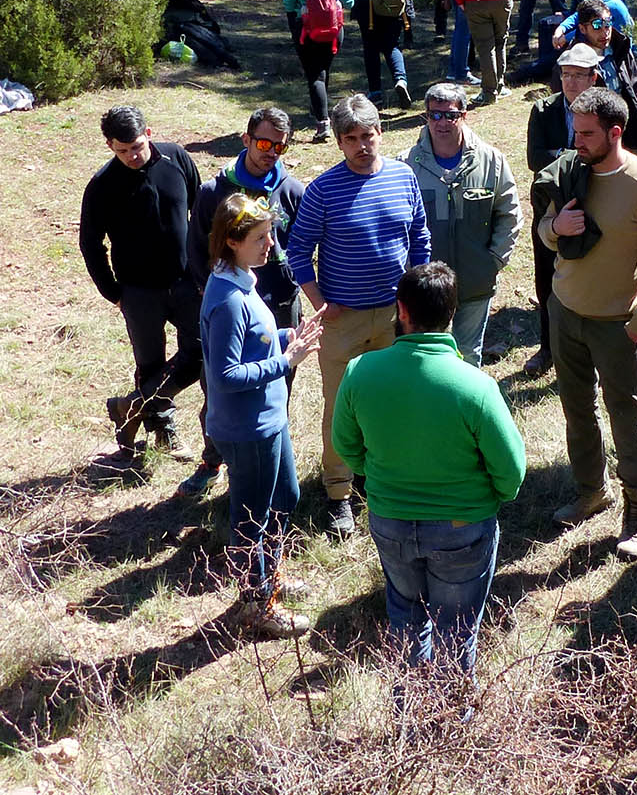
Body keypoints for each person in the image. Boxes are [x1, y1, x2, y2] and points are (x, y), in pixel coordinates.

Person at [332, 263, 526, 678]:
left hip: (390, 522)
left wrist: (381, 476)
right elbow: (511, 473)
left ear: (401, 310)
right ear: (452, 315)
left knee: (405, 619)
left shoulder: (359, 372)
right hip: (464, 529)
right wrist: (487, 498)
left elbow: (346, 447)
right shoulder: (476, 387)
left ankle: (409, 719)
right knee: (457, 632)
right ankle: (450, 726)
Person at [536, 87, 637, 560]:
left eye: (587, 134)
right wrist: (555, 230)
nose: (577, 142)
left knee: (627, 414)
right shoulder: (571, 172)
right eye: (575, 132)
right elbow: (545, 229)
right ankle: (590, 490)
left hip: (617, 323)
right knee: (576, 409)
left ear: (615, 133)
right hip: (565, 311)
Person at [286, 95, 432, 538]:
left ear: (380, 134)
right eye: (350, 139)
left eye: (367, 136)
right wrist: (319, 303)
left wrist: (416, 306)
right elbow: (296, 252)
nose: (361, 146)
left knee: (391, 400)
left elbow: (420, 239)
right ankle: (338, 493)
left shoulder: (404, 177)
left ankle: (383, 476)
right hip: (341, 321)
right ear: (338, 142)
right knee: (340, 405)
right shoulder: (322, 189)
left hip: (395, 318)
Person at [201, 191, 325, 639]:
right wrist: (286, 360)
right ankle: (255, 606)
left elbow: (255, 339)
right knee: (252, 515)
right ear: (232, 242)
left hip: (269, 418)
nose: (269, 244)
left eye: (270, 233)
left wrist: (288, 333)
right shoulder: (228, 299)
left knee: (285, 497)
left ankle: (269, 578)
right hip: (247, 427)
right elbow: (226, 372)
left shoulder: (241, 279)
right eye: (260, 237)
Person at [184, 106, 308, 497]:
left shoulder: (292, 190)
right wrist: (214, 295)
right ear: (246, 139)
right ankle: (213, 460)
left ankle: (272, 458)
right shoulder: (213, 192)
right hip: (232, 304)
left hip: (279, 301)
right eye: (265, 142)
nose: (271, 151)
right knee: (220, 388)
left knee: (277, 383)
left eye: (280, 145)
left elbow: (302, 246)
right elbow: (195, 250)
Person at [80, 105, 204, 464]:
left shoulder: (177, 158)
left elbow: (200, 214)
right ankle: (163, 429)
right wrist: (113, 293)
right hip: (138, 291)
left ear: (148, 134)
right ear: (109, 146)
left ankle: (129, 406)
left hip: (186, 283)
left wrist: (205, 272)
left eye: (137, 146)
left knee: (197, 354)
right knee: (150, 362)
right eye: (122, 150)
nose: (132, 156)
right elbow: (90, 243)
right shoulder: (103, 185)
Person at [403, 84, 521, 365]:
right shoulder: (407, 164)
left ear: (464, 115)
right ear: (426, 117)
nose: (442, 122)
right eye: (435, 115)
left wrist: (493, 260)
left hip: (475, 279)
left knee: (469, 355)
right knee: (426, 356)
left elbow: (509, 213)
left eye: (450, 115)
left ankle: (465, 408)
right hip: (425, 284)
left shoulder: (492, 160)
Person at [524, 42, 601, 379]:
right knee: (546, 280)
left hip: (593, 207)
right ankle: (548, 348)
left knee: (590, 277)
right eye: (565, 74)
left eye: (579, 75)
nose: (570, 82)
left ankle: (590, 350)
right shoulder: (543, 110)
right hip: (548, 208)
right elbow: (534, 159)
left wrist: (563, 156)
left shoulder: (606, 110)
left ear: (593, 77)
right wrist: (576, 157)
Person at [281, 0, 354, 142]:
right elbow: (350, 2)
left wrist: (301, 7)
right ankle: (320, 109)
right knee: (324, 70)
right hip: (334, 31)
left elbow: (287, 4)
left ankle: (322, 122)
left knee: (315, 75)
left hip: (307, 31)